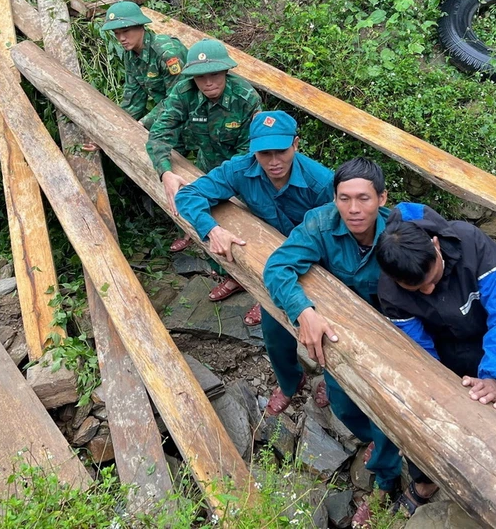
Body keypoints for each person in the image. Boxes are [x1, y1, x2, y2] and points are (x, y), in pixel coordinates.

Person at [262, 157, 403, 526]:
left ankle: (386, 481)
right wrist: (303, 311)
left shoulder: (402, 232)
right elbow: (278, 266)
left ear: (382, 198)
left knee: (387, 413)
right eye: (344, 198)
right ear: (334, 197)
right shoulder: (321, 222)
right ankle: (371, 438)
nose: (353, 209)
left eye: (364, 199)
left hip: (397, 337)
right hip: (344, 337)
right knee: (343, 405)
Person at [375, 204, 496, 516]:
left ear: (435, 244)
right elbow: (419, 351)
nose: (430, 289)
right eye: (418, 288)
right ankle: (426, 482)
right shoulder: (391, 290)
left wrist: (494, 377)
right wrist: (441, 391)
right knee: (428, 422)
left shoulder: (471, 244)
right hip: (441, 352)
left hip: (493, 343)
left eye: (432, 278)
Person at [175, 110, 333, 403]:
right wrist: (212, 229)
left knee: (331, 334)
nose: (274, 162)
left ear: (296, 145)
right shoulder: (241, 169)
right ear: (252, 151)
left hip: (320, 264)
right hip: (273, 267)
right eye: (264, 153)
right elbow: (188, 196)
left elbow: (340, 232)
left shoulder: (321, 183)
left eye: (281, 151)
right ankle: (290, 383)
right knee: (274, 333)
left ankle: (335, 386)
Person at [146, 38, 262, 258]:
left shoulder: (245, 98)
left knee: (243, 227)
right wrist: (165, 172)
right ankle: (203, 249)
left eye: (214, 74)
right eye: (200, 76)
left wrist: (222, 186)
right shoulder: (185, 92)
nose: (208, 82)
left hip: (241, 172)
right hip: (205, 163)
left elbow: (250, 152)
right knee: (197, 214)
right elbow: (160, 131)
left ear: (226, 71)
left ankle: (235, 276)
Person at [99, 1, 187, 130]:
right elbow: (133, 100)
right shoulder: (130, 55)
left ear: (140, 27)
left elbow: (180, 98)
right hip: (169, 114)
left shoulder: (167, 54)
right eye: (116, 33)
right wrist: (114, 130)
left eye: (126, 31)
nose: (121, 38)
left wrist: (144, 123)